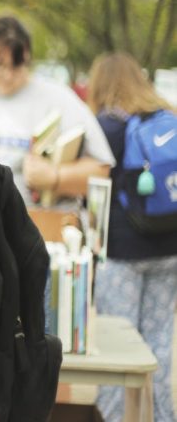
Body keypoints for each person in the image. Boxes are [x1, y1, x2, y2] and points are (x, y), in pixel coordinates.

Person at [86, 52, 177, 422]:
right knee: (158, 345)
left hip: (122, 254)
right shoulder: (167, 119)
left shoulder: (106, 126)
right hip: (170, 249)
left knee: (116, 354)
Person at [0, 15, 114, 207]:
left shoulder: (58, 98)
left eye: (18, 65)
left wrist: (55, 177)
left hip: (43, 229)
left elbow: (101, 171)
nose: (8, 75)